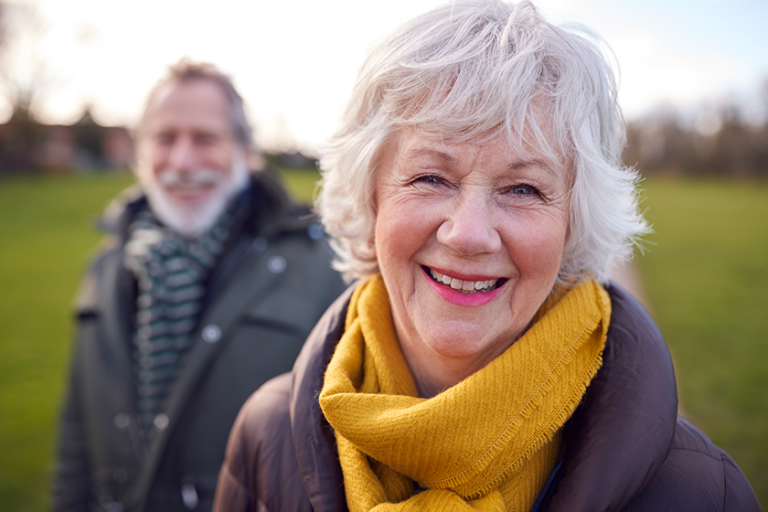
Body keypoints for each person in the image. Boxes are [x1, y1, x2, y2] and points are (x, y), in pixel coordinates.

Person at [214, 1, 762, 511]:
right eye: (430, 177)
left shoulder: (701, 492)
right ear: (370, 197)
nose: (468, 234)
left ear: (575, 220)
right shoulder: (265, 437)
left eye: (523, 189)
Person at [52, 60, 347, 512]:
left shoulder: (325, 267)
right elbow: (76, 439)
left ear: (247, 153)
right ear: (141, 153)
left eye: (205, 139)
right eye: (165, 139)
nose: (182, 162)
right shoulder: (106, 266)